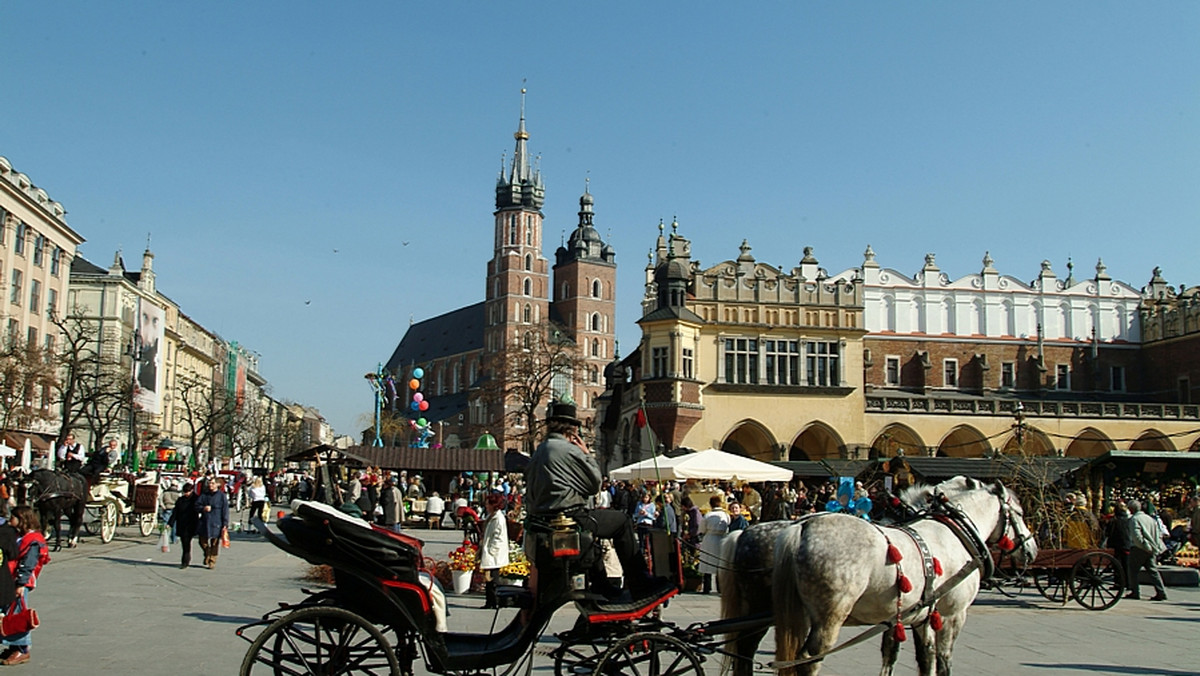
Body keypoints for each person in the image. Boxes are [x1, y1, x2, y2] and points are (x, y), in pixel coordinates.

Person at [524, 399, 660, 598]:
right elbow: (595, 484)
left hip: (544, 521)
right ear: (571, 429)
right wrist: (587, 454)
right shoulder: (567, 450)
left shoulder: (541, 450)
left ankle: (601, 583)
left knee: (594, 538)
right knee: (621, 522)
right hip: (567, 517)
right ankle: (640, 581)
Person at [2, 506, 48, 665]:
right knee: (10, 611)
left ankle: (22, 649)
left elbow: (28, 564)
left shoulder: (33, 540)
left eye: (13, 518)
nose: (10, 521)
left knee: (17, 612)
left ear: (22, 519)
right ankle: (14, 645)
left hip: (22, 581)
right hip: (12, 578)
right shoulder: (20, 536)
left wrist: (21, 584)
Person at [1124, 499, 1167, 601]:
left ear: (1131, 509)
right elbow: (1157, 534)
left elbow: (1136, 536)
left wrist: (1143, 546)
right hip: (1152, 547)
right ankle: (1161, 591)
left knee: (1133, 570)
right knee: (1153, 571)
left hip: (1140, 548)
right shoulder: (1150, 519)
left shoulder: (1134, 519)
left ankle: (1135, 591)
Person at [478, 493, 510, 609]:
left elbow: (498, 537)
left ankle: (495, 601)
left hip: (494, 554)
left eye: (488, 504)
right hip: (490, 551)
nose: (486, 506)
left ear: (494, 505)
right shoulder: (491, 516)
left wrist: (491, 550)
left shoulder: (498, 518)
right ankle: (490, 601)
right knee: (489, 578)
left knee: (493, 578)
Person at [698, 495, 730, 594]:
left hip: (710, 538)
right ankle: (720, 588)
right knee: (719, 563)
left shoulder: (708, 515)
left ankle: (707, 587)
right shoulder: (725, 515)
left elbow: (702, 529)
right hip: (721, 538)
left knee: (707, 562)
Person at [196, 478, 230, 570]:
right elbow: (196, 505)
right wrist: (203, 508)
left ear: (217, 485)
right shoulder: (204, 495)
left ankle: (212, 561)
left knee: (215, 542)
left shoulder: (221, 496)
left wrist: (225, 523)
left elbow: (225, 510)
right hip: (205, 521)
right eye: (209, 483)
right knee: (202, 541)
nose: (210, 485)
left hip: (216, 521)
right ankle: (207, 552)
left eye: (212, 483)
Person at [169, 482, 199, 568]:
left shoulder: (196, 499)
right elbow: (175, 512)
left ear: (191, 490)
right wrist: (170, 523)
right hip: (182, 524)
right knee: (185, 543)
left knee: (187, 542)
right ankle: (185, 560)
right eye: (185, 492)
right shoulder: (180, 500)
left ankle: (185, 561)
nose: (186, 493)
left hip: (191, 524)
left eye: (188, 492)